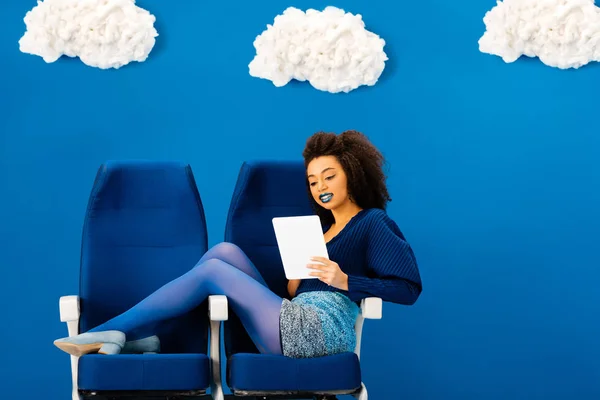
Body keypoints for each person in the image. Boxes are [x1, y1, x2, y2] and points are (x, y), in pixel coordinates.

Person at [53, 130, 422, 359]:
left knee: (214, 271)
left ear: (352, 176)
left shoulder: (374, 222)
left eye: (329, 176)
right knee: (224, 253)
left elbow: (408, 289)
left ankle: (110, 330)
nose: (321, 187)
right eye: (312, 182)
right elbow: (301, 292)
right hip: (295, 317)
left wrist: (346, 281)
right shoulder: (320, 231)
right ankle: (138, 339)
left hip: (323, 332)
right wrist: (297, 285)